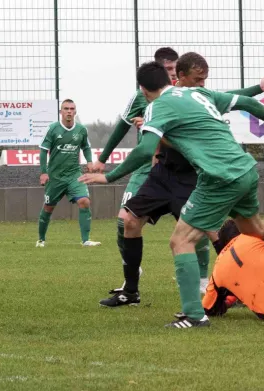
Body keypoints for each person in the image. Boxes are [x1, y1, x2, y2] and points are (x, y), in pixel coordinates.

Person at [79, 53, 264, 330]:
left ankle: (194, 315)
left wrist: (111, 176)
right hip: (245, 169)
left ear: (143, 89)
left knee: (181, 241)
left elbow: (143, 149)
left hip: (219, 177)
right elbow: (248, 102)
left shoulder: (157, 107)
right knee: (256, 228)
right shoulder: (198, 95)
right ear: (171, 79)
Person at [92, 47, 179, 293]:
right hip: (145, 167)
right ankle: (132, 273)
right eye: (168, 70)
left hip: (180, 168)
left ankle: (205, 281)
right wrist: (103, 159)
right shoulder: (141, 96)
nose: (172, 74)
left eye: (174, 69)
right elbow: (121, 126)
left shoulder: (185, 93)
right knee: (125, 221)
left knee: (194, 228)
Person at [36, 99, 100, 248]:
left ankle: (85, 240)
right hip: (55, 177)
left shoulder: (81, 130)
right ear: (61, 112)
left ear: (75, 112)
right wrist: (44, 173)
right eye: (66, 108)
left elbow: (86, 147)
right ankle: (41, 239)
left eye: (72, 109)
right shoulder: (53, 129)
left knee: (84, 201)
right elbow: (43, 150)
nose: (69, 111)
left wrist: (89, 161)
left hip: (74, 175)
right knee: (48, 207)